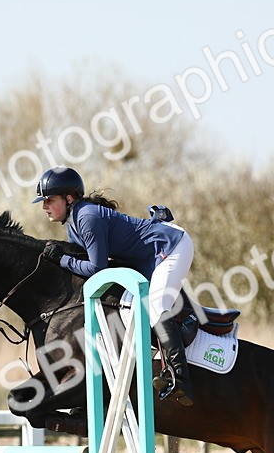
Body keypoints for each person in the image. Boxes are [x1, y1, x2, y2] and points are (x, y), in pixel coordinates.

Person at [32, 166, 196, 406]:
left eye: (49, 200)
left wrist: (61, 259)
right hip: (145, 258)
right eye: (43, 201)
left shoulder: (87, 217)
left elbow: (97, 270)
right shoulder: (73, 225)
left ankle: (180, 378)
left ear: (69, 199)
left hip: (170, 246)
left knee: (157, 305)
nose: (44, 205)